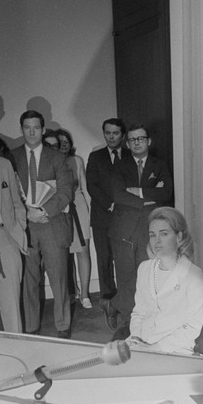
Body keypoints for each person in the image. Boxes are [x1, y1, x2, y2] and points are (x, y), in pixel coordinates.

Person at [11, 110, 74, 339]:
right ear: (21, 129)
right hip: (25, 226)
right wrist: (28, 214)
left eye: (36, 127)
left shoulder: (57, 157)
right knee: (29, 280)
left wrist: (43, 211)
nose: (31, 131)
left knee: (59, 279)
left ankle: (62, 326)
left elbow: (67, 191)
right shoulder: (11, 157)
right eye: (27, 127)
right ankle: (32, 327)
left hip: (52, 224)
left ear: (43, 130)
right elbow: (8, 192)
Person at [107, 124, 174, 340]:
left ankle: (114, 304)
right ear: (127, 143)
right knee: (127, 275)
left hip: (149, 229)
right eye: (132, 139)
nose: (137, 142)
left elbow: (166, 193)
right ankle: (129, 326)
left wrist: (139, 191)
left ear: (148, 141)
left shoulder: (159, 164)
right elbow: (118, 195)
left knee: (148, 275)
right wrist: (149, 199)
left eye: (141, 138)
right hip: (123, 229)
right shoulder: (119, 165)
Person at [128, 207, 203, 355]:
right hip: (141, 343)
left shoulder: (194, 275)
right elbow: (139, 312)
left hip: (174, 349)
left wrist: (153, 349)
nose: (156, 241)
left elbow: (192, 327)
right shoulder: (144, 268)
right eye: (152, 235)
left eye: (164, 234)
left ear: (179, 237)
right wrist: (136, 338)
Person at [0, 117, 28, 333]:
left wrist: (17, 232)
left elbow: (16, 202)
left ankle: (18, 359)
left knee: (12, 310)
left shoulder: (3, 164)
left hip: (4, 238)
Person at [86, 118, 128, 325]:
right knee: (104, 261)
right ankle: (108, 306)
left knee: (125, 262)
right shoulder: (95, 157)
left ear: (123, 135)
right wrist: (110, 204)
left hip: (125, 219)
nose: (111, 137)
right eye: (108, 133)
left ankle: (127, 305)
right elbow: (91, 185)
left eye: (116, 133)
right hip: (102, 217)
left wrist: (121, 204)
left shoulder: (130, 155)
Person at [56, 128, 93, 308]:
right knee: (65, 254)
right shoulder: (50, 162)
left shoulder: (77, 161)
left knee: (83, 251)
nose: (64, 145)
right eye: (60, 142)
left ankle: (85, 294)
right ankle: (73, 291)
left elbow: (85, 188)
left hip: (79, 207)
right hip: (60, 208)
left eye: (66, 142)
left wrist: (90, 212)